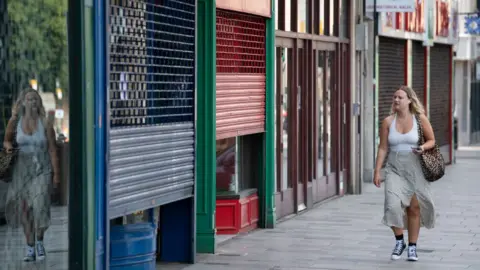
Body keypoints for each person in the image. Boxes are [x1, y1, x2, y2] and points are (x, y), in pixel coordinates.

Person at [373, 85, 436, 262]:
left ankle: (412, 247)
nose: (396, 100)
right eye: (394, 97)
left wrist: (422, 147)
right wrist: (377, 170)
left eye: (400, 97)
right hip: (394, 167)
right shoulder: (387, 122)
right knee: (392, 205)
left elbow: (432, 140)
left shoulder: (419, 119)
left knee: (414, 207)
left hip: (415, 166)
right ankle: (400, 241)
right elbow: (383, 147)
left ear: (409, 100)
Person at [3, 88, 60, 261]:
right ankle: (30, 247)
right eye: (29, 99)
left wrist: (56, 174)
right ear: (23, 103)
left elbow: (52, 149)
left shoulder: (46, 123)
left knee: (40, 205)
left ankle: (40, 241)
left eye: (35, 99)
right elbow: (6, 139)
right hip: (22, 169)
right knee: (25, 209)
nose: (33, 102)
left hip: (42, 169)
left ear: (39, 103)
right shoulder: (16, 122)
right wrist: (8, 147)